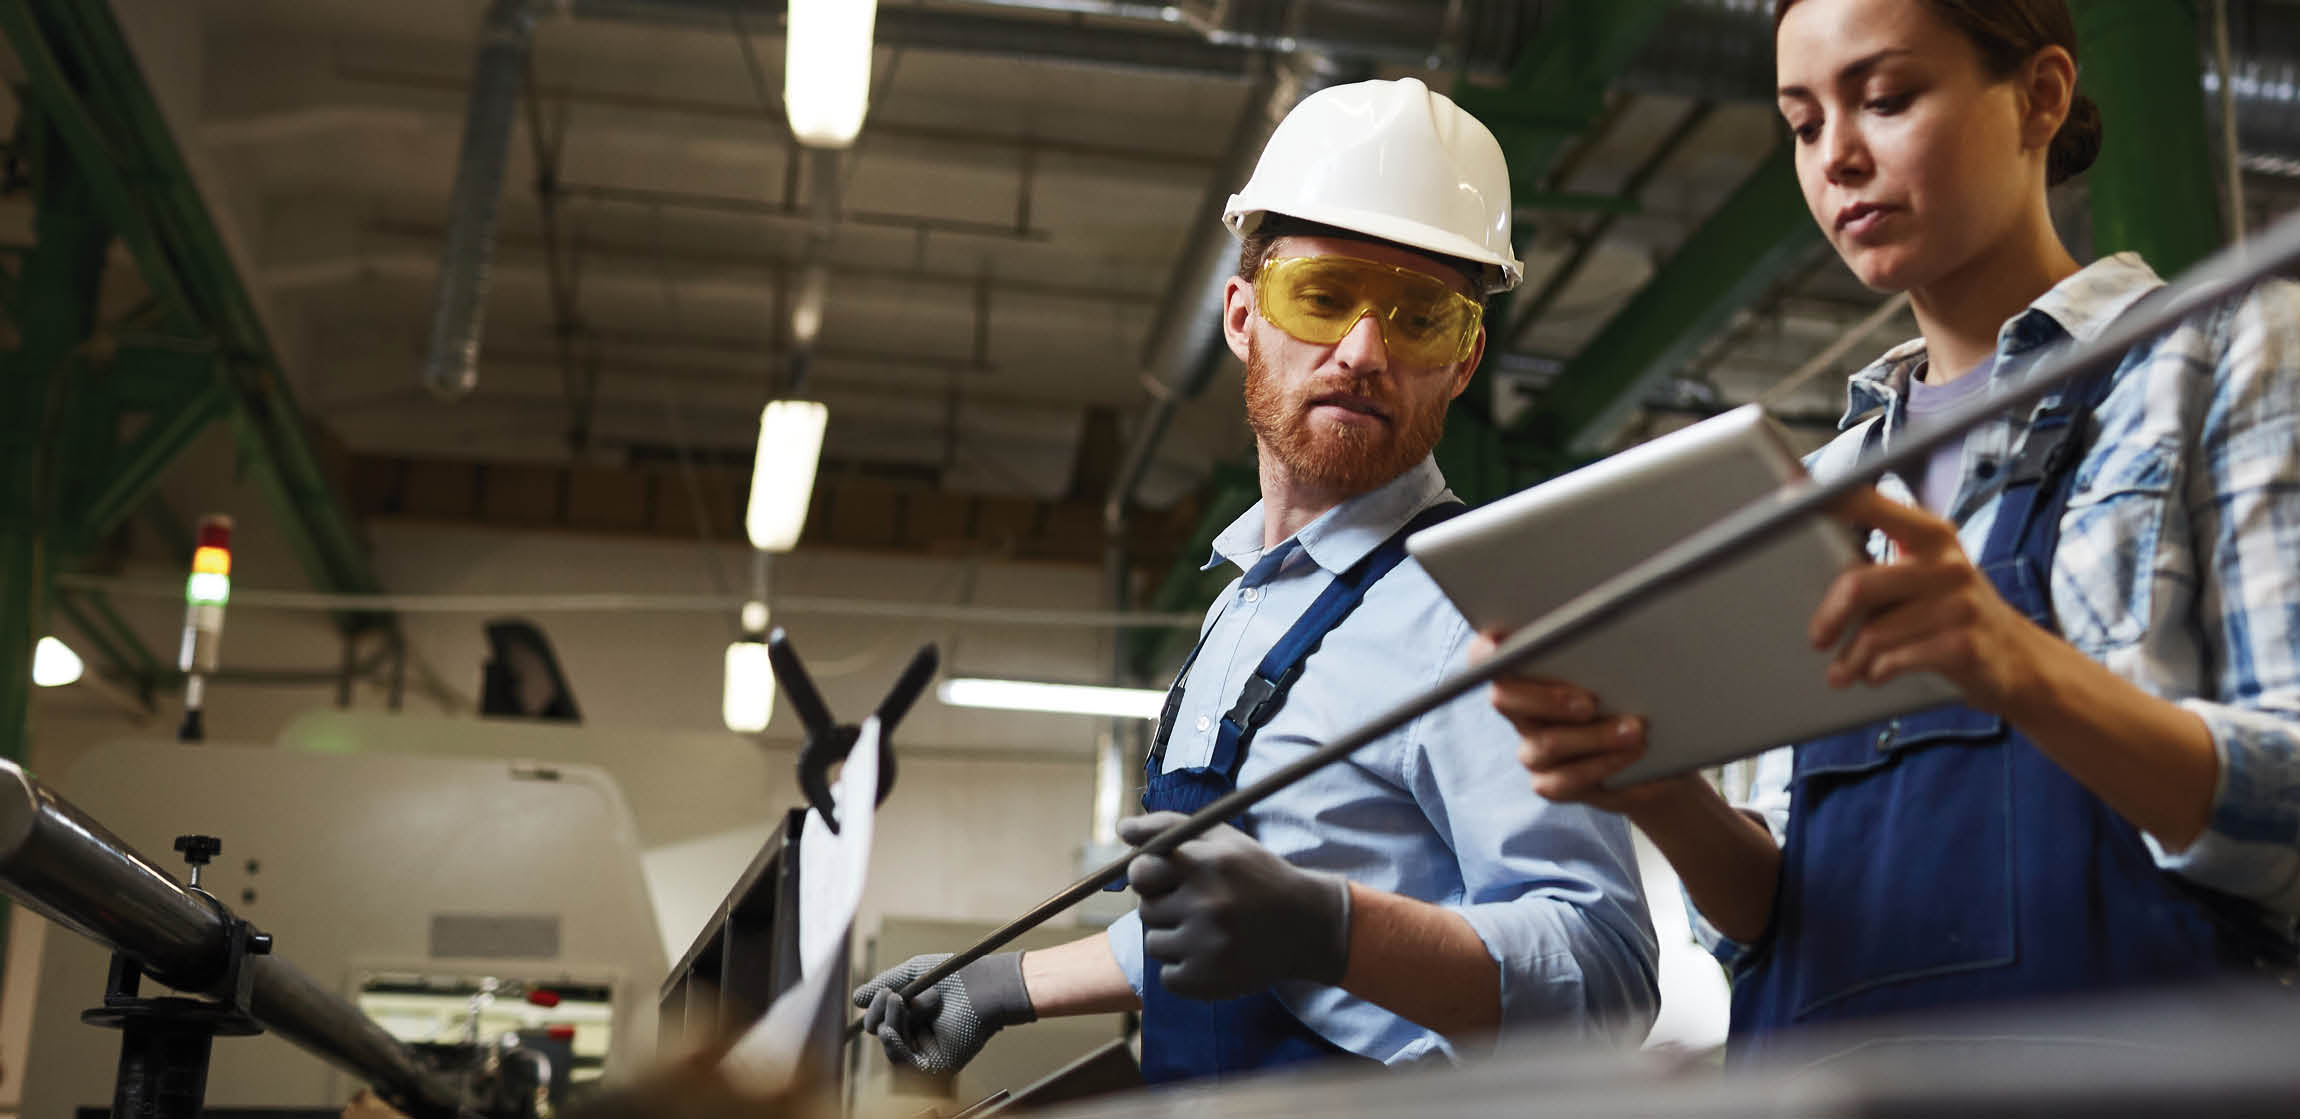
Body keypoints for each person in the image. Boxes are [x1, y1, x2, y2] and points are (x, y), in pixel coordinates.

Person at [1490, 0, 2300, 1064]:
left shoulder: (2222, 358)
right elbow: (1773, 916)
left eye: (1884, 98)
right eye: (1802, 123)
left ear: (2040, 97)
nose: (1836, 156)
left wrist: (2025, 668)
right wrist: (1657, 790)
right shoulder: (1813, 492)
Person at [853, 77, 1659, 1086]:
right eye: (1320, 297)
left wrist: (1335, 928)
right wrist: (1002, 984)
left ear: (1463, 363)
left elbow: (1606, 978)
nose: (1362, 352)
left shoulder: (1481, 613)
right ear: (1241, 315)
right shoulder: (1243, 604)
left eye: (1419, 319)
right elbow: (1227, 928)